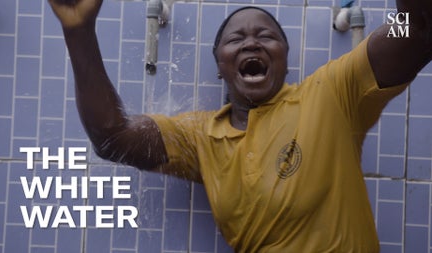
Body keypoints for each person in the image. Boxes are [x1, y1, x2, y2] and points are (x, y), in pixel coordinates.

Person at [48, 0, 432, 251]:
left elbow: (414, 32)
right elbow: (112, 137)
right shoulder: (201, 138)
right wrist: (78, 32)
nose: (252, 43)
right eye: (236, 39)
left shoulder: (330, 95)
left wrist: (409, 16)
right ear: (220, 65)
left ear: (284, 59)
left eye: (266, 36)